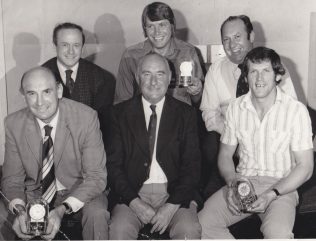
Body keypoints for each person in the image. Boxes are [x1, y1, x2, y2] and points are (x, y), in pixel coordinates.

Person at [198, 47, 314, 239]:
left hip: (281, 188)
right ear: (246, 77)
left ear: (277, 76)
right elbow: (225, 155)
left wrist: (272, 194)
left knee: (277, 234)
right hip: (243, 183)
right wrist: (232, 184)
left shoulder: (296, 111)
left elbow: (306, 167)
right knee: (202, 224)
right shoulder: (236, 108)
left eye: (266, 71)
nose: (259, 79)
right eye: (253, 72)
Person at [1, 67, 109, 240]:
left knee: (98, 213)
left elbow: (96, 177)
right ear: (23, 96)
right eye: (31, 93)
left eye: (46, 91)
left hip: (80, 190)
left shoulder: (86, 117)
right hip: (34, 194)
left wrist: (61, 209)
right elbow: (12, 181)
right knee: (5, 215)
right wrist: (21, 211)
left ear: (59, 91)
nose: (39, 102)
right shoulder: (13, 124)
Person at [199, 15, 298, 198]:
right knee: (210, 147)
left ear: (251, 36)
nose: (232, 45)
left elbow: (290, 112)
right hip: (228, 139)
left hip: (268, 141)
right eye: (226, 40)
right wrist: (234, 137)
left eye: (238, 37)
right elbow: (209, 112)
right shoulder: (216, 70)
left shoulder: (274, 66)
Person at [108, 53, 201, 239]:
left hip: (174, 195)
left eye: (160, 74)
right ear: (137, 77)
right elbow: (113, 167)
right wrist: (135, 203)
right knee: (119, 231)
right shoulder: (118, 114)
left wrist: (171, 206)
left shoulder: (186, 115)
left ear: (169, 79)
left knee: (189, 231)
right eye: (146, 74)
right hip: (132, 195)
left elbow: (192, 167)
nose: (153, 81)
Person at [115, 2, 204, 106]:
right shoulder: (130, 56)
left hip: (180, 117)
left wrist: (196, 91)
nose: (157, 32)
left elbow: (199, 101)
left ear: (172, 26)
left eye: (162, 25)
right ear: (145, 28)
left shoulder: (188, 52)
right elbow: (121, 102)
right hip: (143, 118)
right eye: (150, 26)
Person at [42, 22, 115, 148]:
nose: (71, 51)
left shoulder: (103, 79)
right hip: (50, 150)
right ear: (55, 45)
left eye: (76, 45)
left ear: (82, 46)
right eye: (65, 45)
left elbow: (104, 128)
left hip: (88, 150)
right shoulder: (40, 76)